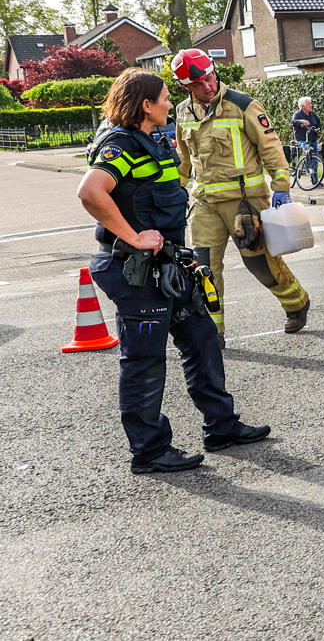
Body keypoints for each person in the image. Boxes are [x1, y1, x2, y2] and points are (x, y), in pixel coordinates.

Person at [78, 69, 269, 473]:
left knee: (202, 340)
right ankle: (148, 451)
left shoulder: (153, 139)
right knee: (145, 361)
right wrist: (133, 237)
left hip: (169, 264)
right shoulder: (120, 143)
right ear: (146, 105)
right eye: (165, 97)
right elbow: (90, 192)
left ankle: (222, 426)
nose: (171, 103)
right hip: (136, 269)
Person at [169, 49, 309, 336]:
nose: (207, 86)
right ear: (185, 86)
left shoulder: (243, 104)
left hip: (245, 203)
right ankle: (212, 333)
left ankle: (297, 303)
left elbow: (270, 147)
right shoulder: (182, 111)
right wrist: (176, 191)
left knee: (261, 265)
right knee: (203, 269)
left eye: (209, 78)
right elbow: (184, 159)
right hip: (204, 203)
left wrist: (281, 187)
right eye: (197, 84)